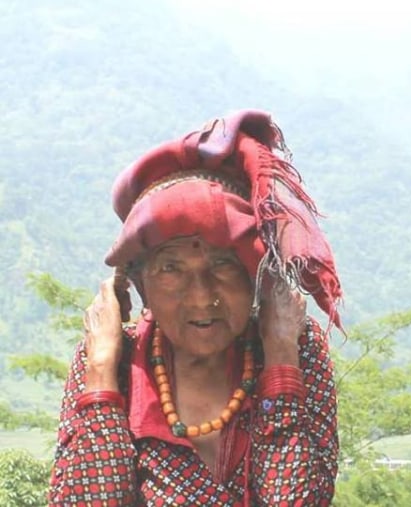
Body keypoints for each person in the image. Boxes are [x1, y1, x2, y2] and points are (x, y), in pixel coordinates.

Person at [49, 110, 343, 506]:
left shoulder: (295, 347)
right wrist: (101, 373)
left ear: (256, 276)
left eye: (223, 264)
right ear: (140, 285)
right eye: (171, 269)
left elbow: (296, 501)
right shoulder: (114, 361)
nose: (202, 297)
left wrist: (281, 357)